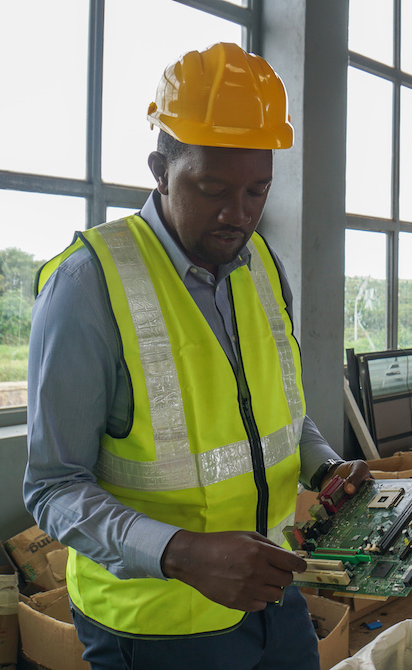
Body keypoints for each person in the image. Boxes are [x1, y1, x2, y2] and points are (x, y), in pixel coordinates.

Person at [24, 42, 370, 670]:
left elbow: (274, 410)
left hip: (272, 594)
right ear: (160, 169)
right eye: (211, 188)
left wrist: (323, 466)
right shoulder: (88, 285)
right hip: (155, 626)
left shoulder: (262, 265)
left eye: (257, 191)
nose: (236, 216)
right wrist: (180, 552)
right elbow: (53, 488)